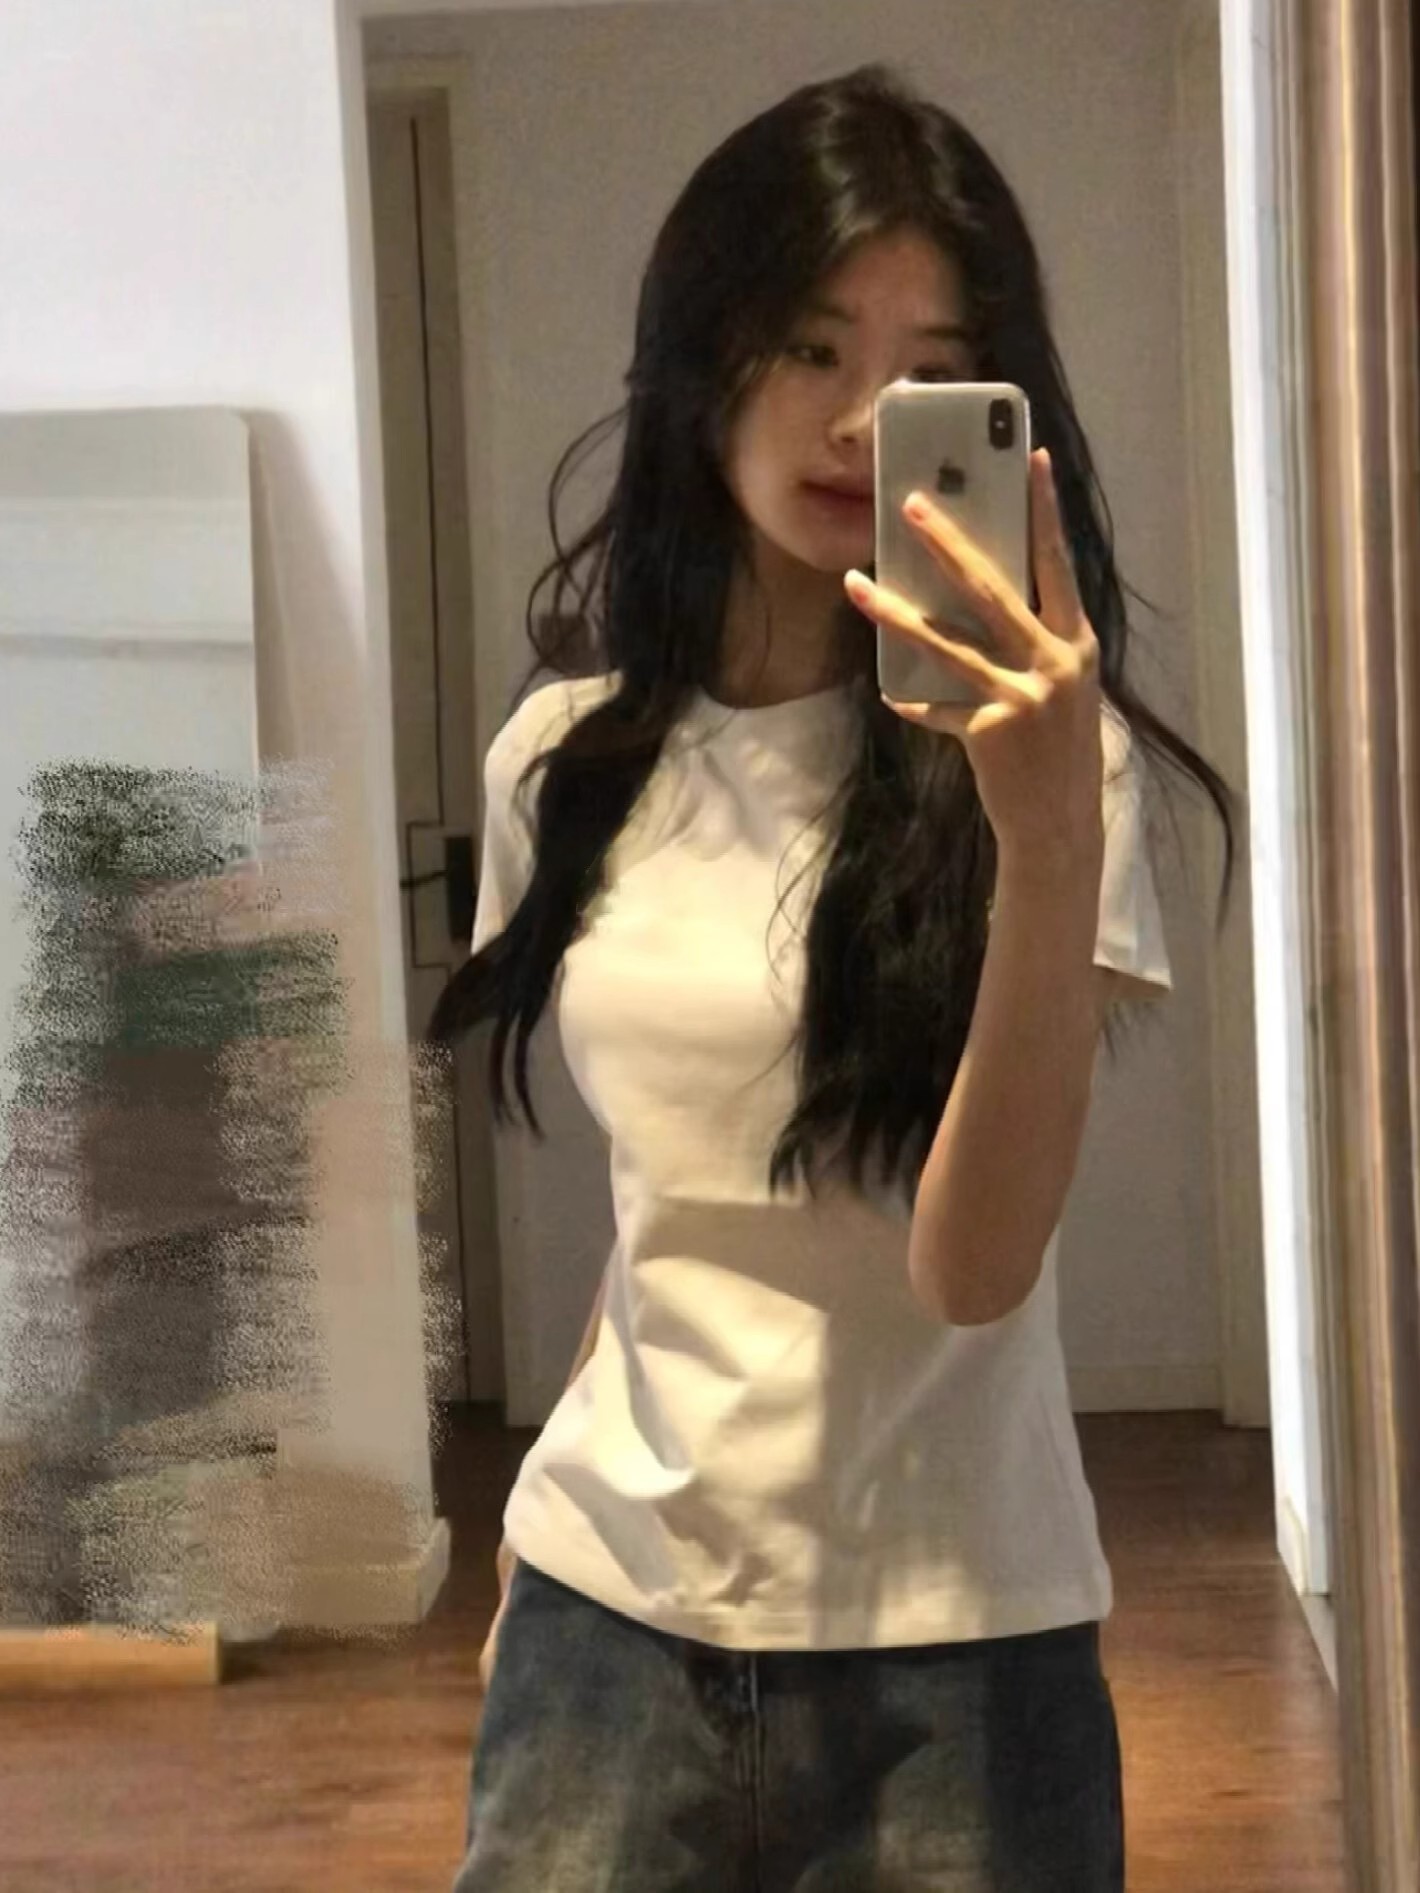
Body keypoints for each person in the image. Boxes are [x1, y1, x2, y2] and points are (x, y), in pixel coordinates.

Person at [433, 63, 1235, 1893]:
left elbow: (974, 1265)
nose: (864, 416)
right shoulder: (562, 761)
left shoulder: (1057, 765)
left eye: (927, 365)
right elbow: (668, 1205)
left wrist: (1043, 831)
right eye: (809, 345)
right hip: (606, 1624)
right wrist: (538, 1562)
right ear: (700, 358)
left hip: (956, 1647)